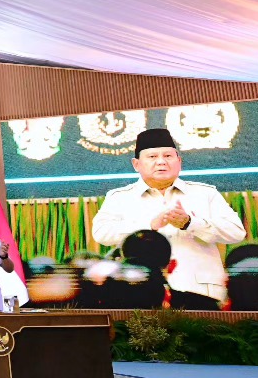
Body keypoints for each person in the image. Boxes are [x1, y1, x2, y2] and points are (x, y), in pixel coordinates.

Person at [92, 127, 246, 304]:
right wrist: (149, 225)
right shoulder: (119, 197)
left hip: (201, 292)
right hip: (141, 292)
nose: (161, 162)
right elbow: (101, 233)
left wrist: (190, 223)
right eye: (152, 157)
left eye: (168, 156)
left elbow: (236, 232)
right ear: (136, 164)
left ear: (179, 161)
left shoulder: (205, 193)